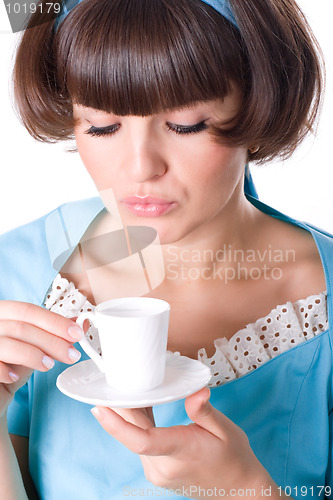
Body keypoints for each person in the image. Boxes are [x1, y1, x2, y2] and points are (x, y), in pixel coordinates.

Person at [0, 0, 331, 499]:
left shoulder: (321, 299)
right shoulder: (18, 273)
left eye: (185, 125)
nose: (140, 168)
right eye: (102, 126)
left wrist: (245, 488)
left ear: (258, 101)